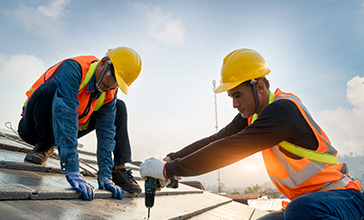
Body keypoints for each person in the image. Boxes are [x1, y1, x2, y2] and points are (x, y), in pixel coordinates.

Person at [140, 48, 364, 219]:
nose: (235, 104)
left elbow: (230, 148)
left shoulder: (283, 110)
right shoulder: (253, 115)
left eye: (238, 95)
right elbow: (216, 140)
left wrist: (168, 170)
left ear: (259, 87)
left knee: (300, 211)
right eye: (231, 97)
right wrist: (169, 159)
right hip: (312, 202)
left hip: (345, 198)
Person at [18, 46, 142, 201]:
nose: (112, 85)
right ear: (104, 62)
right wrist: (72, 168)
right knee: (49, 90)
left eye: (118, 84)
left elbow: (107, 131)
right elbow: (66, 113)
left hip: (62, 132)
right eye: (113, 78)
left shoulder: (110, 91)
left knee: (119, 107)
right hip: (33, 127)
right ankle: (43, 146)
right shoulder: (74, 68)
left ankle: (118, 169)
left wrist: (105, 172)